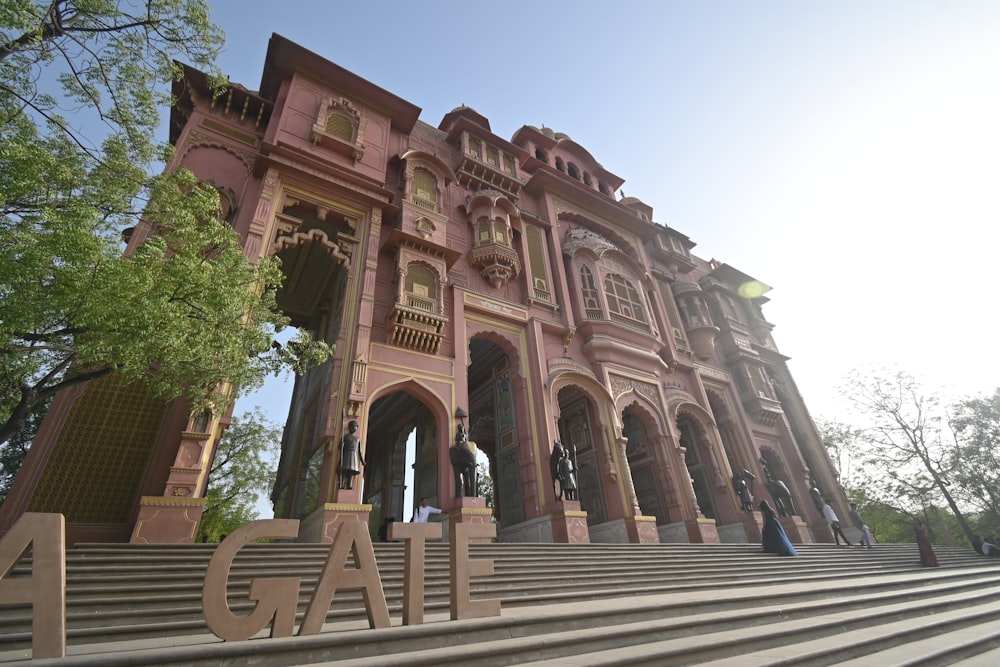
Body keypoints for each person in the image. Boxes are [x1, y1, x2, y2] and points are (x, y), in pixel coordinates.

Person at [338, 420, 365, 490]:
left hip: (354, 456)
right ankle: (342, 484)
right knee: (344, 469)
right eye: (352, 426)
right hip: (347, 454)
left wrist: (362, 461)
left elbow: (360, 451)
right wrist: (341, 444)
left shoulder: (357, 439)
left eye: (355, 427)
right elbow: (339, 447)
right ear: (349, 427)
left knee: (351, 472)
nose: (353, 428)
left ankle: (349, 485)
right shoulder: (345, 437)